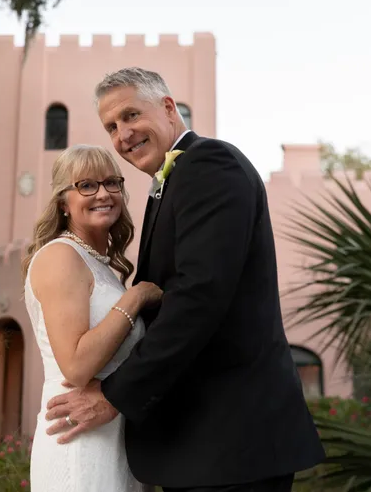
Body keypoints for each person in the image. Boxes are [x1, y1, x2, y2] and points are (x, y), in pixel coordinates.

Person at [44, 68, 325, 492]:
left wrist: (115, 395)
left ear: (168, 108)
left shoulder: (210, 165)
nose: (123, 134)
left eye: (131, 115)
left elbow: (198, 297)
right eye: (112, 127)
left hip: (231, 438)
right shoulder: (172, 181)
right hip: (198, 443)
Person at [22, 144, 162, 491]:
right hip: (78, 439)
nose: (103, 193)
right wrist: (137, 296)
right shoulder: (60, 257)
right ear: (63, 202)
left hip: (111, 435)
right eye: (86, 185)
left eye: (111, 183)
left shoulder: (100, 265)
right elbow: (77, 366)